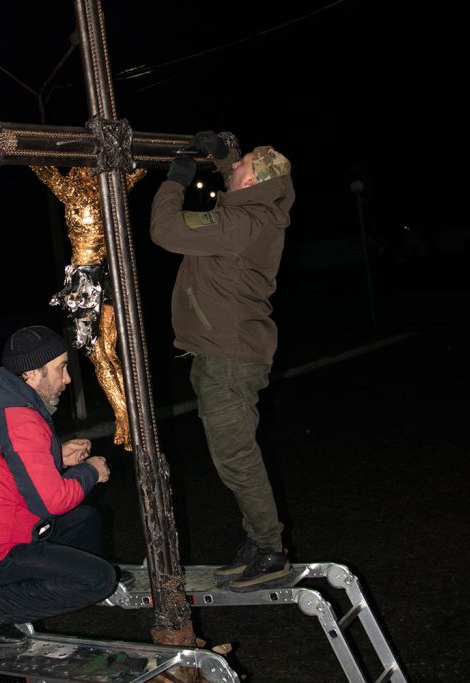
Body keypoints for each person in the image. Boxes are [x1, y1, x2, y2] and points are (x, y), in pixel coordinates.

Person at [149, 131, 296, 591]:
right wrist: (223, 154)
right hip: (219, 352)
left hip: (229, 358)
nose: (235, 168)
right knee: (231, 453)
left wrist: (176, 179)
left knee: (235, 455)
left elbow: (165, 231)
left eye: (243, 164)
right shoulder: (248, 209)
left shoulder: (246, 221)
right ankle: (260, 541)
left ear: (255, 180)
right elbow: (236, 168)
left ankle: (271, 551)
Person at [0, 325, 119, 646]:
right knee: (100, 579)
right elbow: (51, 502)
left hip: (2, 529)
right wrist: (90, 472)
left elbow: (13, 464)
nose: (67, 378)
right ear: (31, 374)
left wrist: (58, 457)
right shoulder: (20, 417)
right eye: (60, 369)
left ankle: (48, 580)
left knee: (86, 520)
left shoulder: (6, 401)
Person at [29, 165, 148, 450]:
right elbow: (135, 174)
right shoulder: (106, 192)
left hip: (87, 283)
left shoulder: (76, 193)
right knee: (110, 353)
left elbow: (44, 170)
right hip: (109, 278)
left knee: (100, 355)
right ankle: (129, 419)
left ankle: (125, 418)